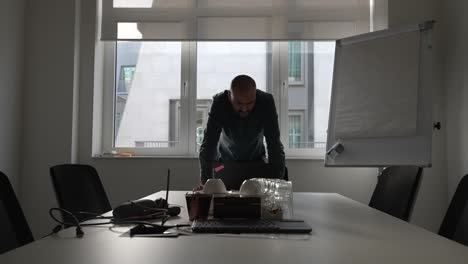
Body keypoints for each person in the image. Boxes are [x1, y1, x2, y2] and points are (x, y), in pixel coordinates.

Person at [198, 75, 285, 186]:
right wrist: (206, 185)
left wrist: (277, 185)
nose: (244, 109)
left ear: (255, 97)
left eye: (249, 103)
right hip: (223, 165)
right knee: (216, 174)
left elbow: (274, 145)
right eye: (238, 103)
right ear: (230, 96)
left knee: (259, 196)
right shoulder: (220, 102)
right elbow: (209, 145)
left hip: (256, 164)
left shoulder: (266, 102)